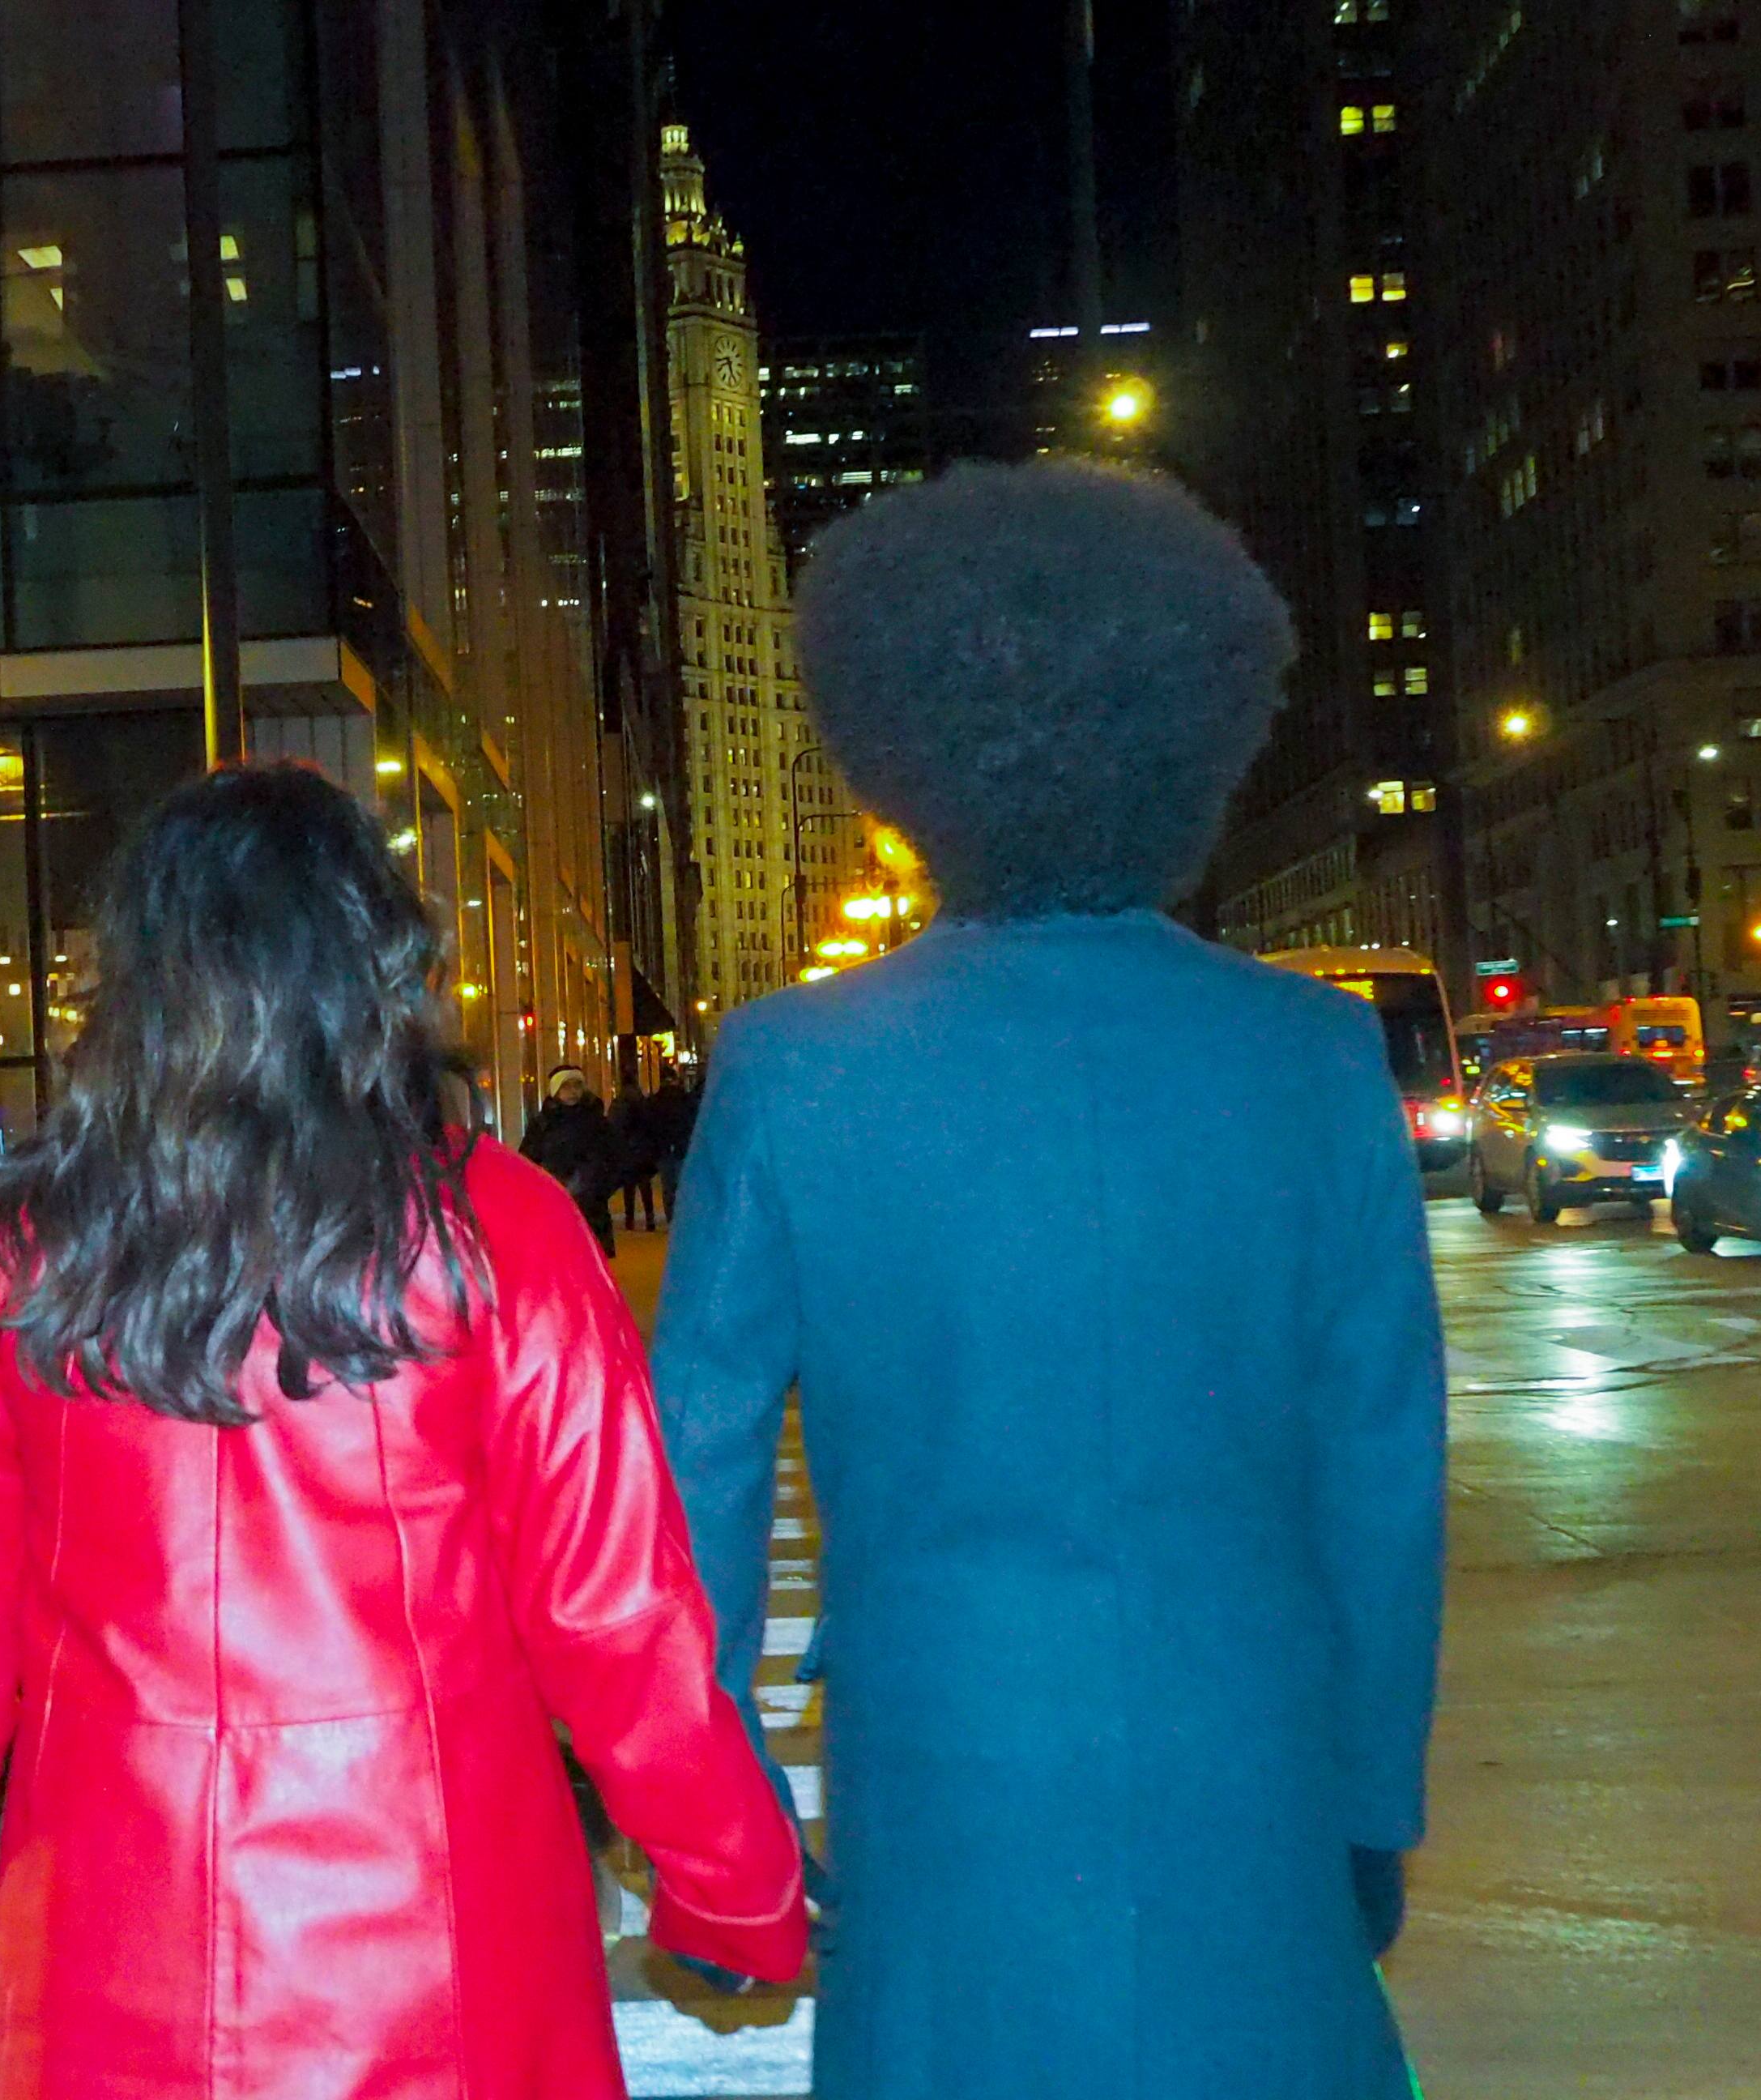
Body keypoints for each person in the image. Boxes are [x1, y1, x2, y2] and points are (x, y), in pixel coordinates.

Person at [652, 460, 1446, 2100]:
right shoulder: (1311, 1059)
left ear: (904, 747)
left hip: (949, 1757)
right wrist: (1375, 1793)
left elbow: (695, 1477)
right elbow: (1384, 1475)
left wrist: (712, 1816)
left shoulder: (795, 1067)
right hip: (1255, 1742)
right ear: (1195, 731)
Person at [0, 766, 804, 2100]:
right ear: (374, 965)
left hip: (107, 1953)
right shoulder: (495, 1231)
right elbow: (615, 1612)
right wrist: (730, 1884)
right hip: (437, 1943)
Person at [520, 1065, 623, 1251]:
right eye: (566, 1086)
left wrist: (600, 1186)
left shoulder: (596, 1121)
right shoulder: (542, 1124)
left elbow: (615, 1157)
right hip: (554, 1202)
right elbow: (528, 1160)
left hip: (591, 1203)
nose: (573, 1092)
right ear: (555, 1090)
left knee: (590, 1254)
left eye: (577, 1086)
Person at [609, 1077, 667, 1231]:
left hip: (626, 1150)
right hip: (643, 1150)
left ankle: (630, 1220)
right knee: (644, 1185)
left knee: (629, 1187)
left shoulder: (618, 1105)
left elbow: (613, 1128)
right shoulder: (644, 1105)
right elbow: (653, 1126)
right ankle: (650, 1218)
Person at [651, 1071, 701, 1222]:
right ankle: (681, 1217)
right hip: (681, 1148)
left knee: (667, 1187)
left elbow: (651, 1126)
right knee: (681, 1184)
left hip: (664, 1149)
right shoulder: (685, 1099)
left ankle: (671, 1216)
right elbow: (691, 1122)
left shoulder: (656, 1101)